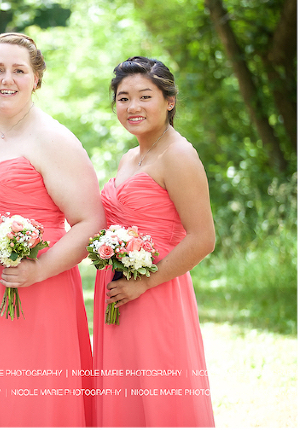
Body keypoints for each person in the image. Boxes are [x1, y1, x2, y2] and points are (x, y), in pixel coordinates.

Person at [0, 32, 104, 427]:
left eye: (19, 70)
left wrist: (38, 269)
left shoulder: (54, 140)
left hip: (31, 285)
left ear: (37, 78)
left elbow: (91, 222)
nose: (6, 79)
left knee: (27, 397)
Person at [92, 56, 216, 426]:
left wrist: (145, 282)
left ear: (169, 101)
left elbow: (203, 238)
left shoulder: (179, 155)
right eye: (123, 98)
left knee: (159, 387)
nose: (133, 107)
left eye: (145, 96)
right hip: (116, 291)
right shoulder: (130, 157)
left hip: (156, 290)